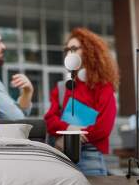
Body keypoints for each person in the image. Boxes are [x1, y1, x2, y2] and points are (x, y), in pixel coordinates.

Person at [44, 28, 119, 176]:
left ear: (89, 51)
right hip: (62, 157)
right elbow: (49, 120)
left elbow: (103, 128)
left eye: (73, 49)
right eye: (67, 50)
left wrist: (73, 135)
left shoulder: (103, 87)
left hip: (90, 158)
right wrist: (70, 127)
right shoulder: (62, 88)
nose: (69, 54)